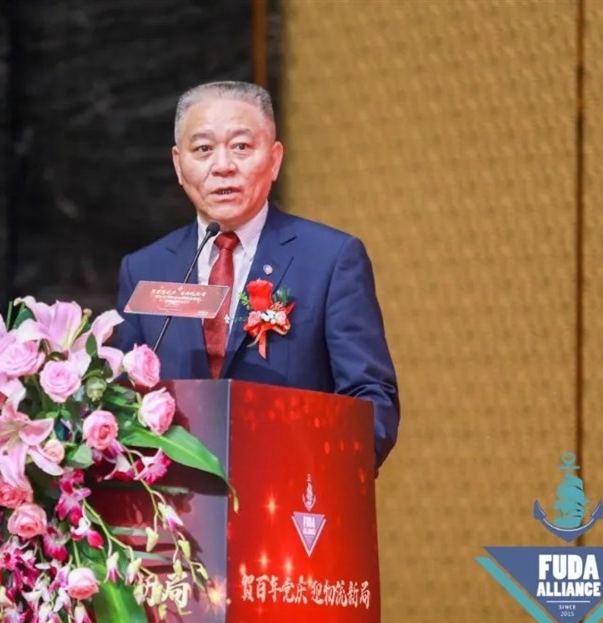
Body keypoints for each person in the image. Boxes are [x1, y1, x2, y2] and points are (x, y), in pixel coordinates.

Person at [115, 81, 400, 468]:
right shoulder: (144, 269)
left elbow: (371, 401)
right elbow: (122, 398)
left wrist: (321, 476)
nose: (222, 166)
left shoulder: (330, 260)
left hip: (292, 490)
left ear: (275, 159)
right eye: (203, 149)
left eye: (241, 147)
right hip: (176, 497)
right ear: (179, 165)